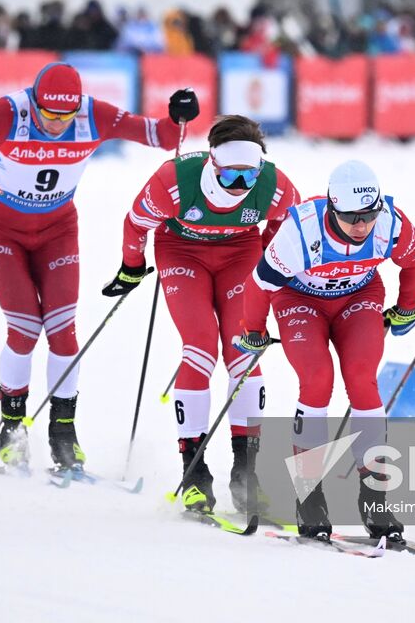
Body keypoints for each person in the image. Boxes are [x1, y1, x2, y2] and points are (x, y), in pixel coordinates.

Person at [0, 64, 198, 475]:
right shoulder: (8, 113)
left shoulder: (93, 114)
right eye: (48, 115)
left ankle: (63, 432)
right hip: (2, 229)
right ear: (34, 102)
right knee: (24, 330)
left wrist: (178, 117)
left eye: (65, 116)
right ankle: (11, 426)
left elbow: (159, 136)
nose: (56, 124)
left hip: (58, 231)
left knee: (64, 333)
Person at [103, 115, 300, 514]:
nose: (240, 185)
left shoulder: (275, 185)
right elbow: (135, 224)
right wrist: (131, 267)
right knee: (200, 348)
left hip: (239, 254)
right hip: (181, 252)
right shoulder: (174, 180)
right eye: (230, 176)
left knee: (245, 350)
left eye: (249, 175)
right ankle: (194, 473)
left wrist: (267, 259)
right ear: (213, 164)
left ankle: (247, 473)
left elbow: (288, 223)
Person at [232, 161, 415, 541]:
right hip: (300, 299)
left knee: (362, 379)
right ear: (332, 207)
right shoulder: (300, 232)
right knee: (317, 379)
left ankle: (374, 497)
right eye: (351, 217)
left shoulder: (390, 223)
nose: (361, 225)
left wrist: (408, 307)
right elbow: (259, 284)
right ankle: (309, 496)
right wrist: (254, 330)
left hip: (358, 296)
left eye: (369, 214)